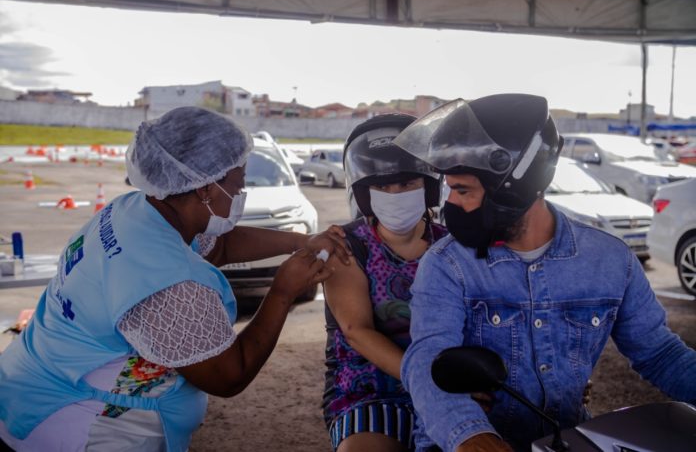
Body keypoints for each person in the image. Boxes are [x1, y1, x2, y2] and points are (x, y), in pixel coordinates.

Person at [0, 106, 350, 452]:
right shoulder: (169, 284)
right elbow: (230, 375)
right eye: (239, 181)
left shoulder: (136, 210)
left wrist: (300, 241)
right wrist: (282, 291)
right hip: (80, 421)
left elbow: (221, 245)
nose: (243, 190)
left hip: (33, 376)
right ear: (206, 189)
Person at [394, 94, 696, 452]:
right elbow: (427, 358)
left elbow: (659, 353)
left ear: (514, 189)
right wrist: (472, 436)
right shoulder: (447, 264)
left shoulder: (611, 261)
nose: (451, 204)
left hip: (563, 439)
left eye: (463, 190)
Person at [321, 113, 449, 452]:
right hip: (368, 392)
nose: (395, 194)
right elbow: (356, 330)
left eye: (407, 184)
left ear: (429, 185)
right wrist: (427, 381)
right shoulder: (346, 246)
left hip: (449, 384)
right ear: (364, 192)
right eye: (381, 187)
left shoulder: (452, 247)